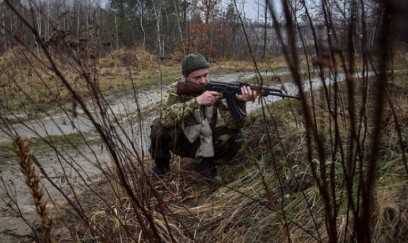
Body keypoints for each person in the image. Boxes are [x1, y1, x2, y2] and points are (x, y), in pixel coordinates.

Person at [149, 53, 257, 179]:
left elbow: (235, 124)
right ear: (185, 76)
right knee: (157, 126)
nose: (203, 81)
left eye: (205, 75)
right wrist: (197, 101)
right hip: (180, 141)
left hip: (206, 141)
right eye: (197, 77)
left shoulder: (216, 88)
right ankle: (161, 167)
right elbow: (165, 118)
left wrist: (240, 102)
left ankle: (209, 162)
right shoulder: (176, 89)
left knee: (237, 135)